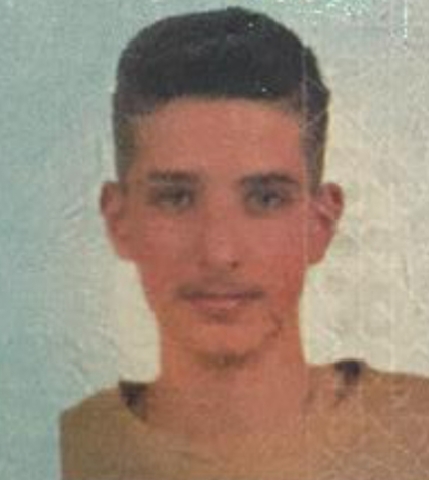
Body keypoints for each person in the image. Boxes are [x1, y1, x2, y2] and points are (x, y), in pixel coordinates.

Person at [61, 6, 429, 479]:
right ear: (119, 219)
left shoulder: (416, 432)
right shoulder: (59, 447)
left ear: (320, 222)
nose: (220, 253)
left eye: (266, 198)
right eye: (176, 198)